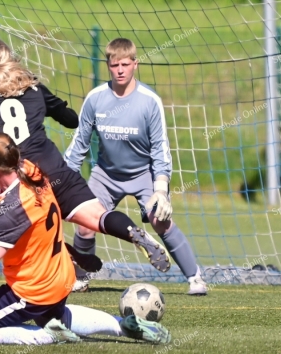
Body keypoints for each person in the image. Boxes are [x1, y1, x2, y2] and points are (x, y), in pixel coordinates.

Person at [0, 38, 171, 275]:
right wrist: (52, 108)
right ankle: (130, 232)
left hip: (14, 175)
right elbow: (70, 119)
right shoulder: (29, 82)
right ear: (10, 59)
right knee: (97, 216)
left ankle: (68, 256)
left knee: (20, 236)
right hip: (53, 167)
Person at [0, 131, 171, 345]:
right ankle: (122, 325)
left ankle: (47, 337)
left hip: (32, 290)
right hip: (60, 277)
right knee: (56, 316)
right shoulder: (29, 170)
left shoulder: (14, 209)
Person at [65, 38, 207, 295]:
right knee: (85, 224)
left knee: (160, 221)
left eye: (125, 64)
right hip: (106, 174)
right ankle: (81, 277)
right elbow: (79, 144)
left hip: (144, 174)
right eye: (114, 64)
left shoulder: (149, 101)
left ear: (135, 64)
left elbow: (160, 148)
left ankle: (195, 278)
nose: (120, 69)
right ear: (108, 65)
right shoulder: (96, 99)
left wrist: (161, 189)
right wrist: (62, 181)